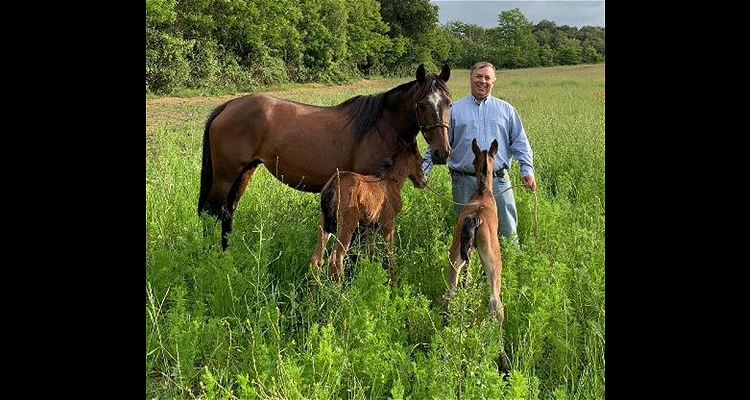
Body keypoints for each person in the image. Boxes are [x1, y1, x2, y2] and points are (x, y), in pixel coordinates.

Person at [422, 61, 537, 242]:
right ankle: (470, 269)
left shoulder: (506, 110)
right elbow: (439, 143)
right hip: (464, 182)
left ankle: (506, 266)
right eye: (478, 76)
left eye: (487, 77)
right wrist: (422, 171)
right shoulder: (454, 110)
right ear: (471, 78)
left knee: (507, 232)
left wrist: (527, 170)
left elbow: (520, 143)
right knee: (467, 237)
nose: (482, 81)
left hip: (498, 182)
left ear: (494, 81)